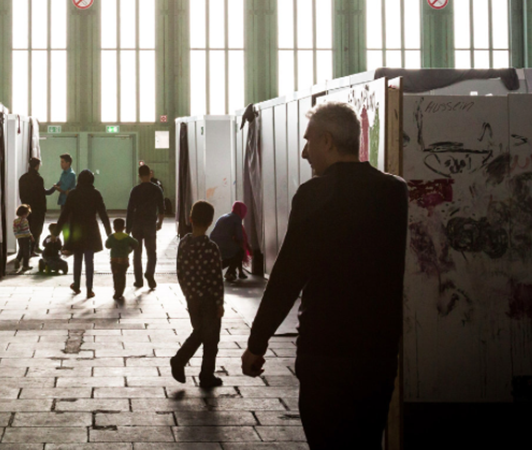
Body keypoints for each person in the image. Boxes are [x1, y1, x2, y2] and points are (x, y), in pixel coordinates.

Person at [241, 103, 407, 450]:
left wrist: (257, 344)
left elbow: (287, 276)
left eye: (309, 141)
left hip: (326, 352)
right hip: (378, 353)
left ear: (327, 141)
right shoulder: (394, 192)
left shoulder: (315, 194)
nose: (305, 152)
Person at [170, 200, 225, 389]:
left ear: (190, 219)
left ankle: (199, 371)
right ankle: (190, 366)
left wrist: (188, 294)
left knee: (201, 332)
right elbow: (216, 279)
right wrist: (219, 303)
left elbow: (180, 272)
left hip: (192, 298)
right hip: (209, 299)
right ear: (210, 222)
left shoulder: (184, 244)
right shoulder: (211, 248)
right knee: (210, 338)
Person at [58, 168, 110, 298]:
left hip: (76, 230)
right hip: (91, 230)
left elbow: (64, 215)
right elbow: (103, 214)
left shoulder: (73, 194)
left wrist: (55, 232)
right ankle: (89, 289)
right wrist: (109, 233)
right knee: (89, 260)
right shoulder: (95, 194)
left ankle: (76, 284)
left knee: (77, 259)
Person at [126, 164, 166, 290]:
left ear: (139, 176)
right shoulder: (157, 189)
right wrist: (159, 223)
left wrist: (128, 229)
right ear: (150, 174)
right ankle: (150, 273)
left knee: (137, 253)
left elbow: (130, 210)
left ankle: (138, 280)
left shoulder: (135, 190)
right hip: (150, 224)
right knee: (151, 252)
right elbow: (162, 208)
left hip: (137, 224)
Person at [18, 157, 58, 247]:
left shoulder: (22, 178)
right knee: (37, 229)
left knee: (28, 228)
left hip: (27, 208)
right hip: (38, 209)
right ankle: (34, 247)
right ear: (37, 166)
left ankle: (28, 248)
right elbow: (43, 194)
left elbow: (21, 194)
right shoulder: (39, 179)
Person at [210, 201, 250, 282]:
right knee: (240, 251)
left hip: (213, 243)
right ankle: (230, 272)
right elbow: (239, 238)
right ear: (242, 211)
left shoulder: (224, 216)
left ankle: (214, 270)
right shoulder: (237, 219)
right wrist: (246, 245)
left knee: (234, 253)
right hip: (224, 243)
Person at [104, 217, 139, 301]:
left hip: (114, 261)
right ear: (124, 228)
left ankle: (116, 291)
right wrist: (130, 249)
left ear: (114, 228)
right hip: (124, 261)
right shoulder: (127, 237)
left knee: (116, 276)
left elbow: (107, 245)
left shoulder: (112, 237)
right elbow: (136, 243)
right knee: (122, 275)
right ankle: (121, 291)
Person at [13, 204, 34, 272]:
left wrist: (17, 235)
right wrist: (31, 236)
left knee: (21, 249)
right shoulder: (25, 221)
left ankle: (17, 259)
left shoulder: (15, 221)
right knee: (26, 252)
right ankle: (25, 266)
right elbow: (26, 230)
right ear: (25, 213)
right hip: (25, 237)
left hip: (19, 237)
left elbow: (14, 229)